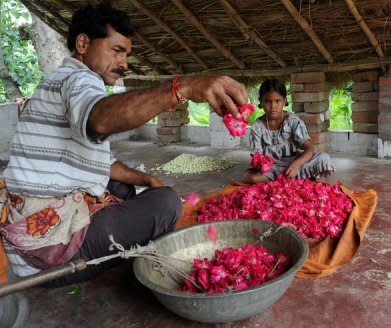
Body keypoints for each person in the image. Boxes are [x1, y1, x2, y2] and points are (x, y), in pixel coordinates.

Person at [0, 4, 248, 286]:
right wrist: (184, 88)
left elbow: (100, 162)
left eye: (127, 54)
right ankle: (101, 259)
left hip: (28, 234)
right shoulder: (79, 79)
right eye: (117, 50)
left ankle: (116, 230)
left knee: (124, 187)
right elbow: (99, 120)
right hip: (47, 253)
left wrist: (147, 178)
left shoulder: (59, 81)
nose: (124, 63)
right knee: (166, 204)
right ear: (83, 43)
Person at [245, 79, 335, 183]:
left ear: (284, 101)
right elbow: (256, 156)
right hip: (272, 167)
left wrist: (296, 164)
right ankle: (294, 178)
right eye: (267, 101)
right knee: (250, 177)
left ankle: (287, 177)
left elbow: (309, 148)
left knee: (323, 158)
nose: (273, 106)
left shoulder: (292, 121)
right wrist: (260, 164)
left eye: (277, 101)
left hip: (295, 162)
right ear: (261, 101)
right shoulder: (257, 127)